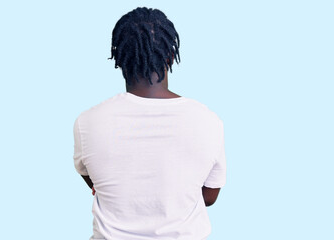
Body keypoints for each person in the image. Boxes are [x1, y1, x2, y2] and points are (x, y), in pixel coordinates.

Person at [73, 7, 226, 240]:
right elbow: (209, 197)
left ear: (119, 58)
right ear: (170, 56)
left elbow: (93, 179)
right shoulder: (208, 121)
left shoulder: (88, 122)